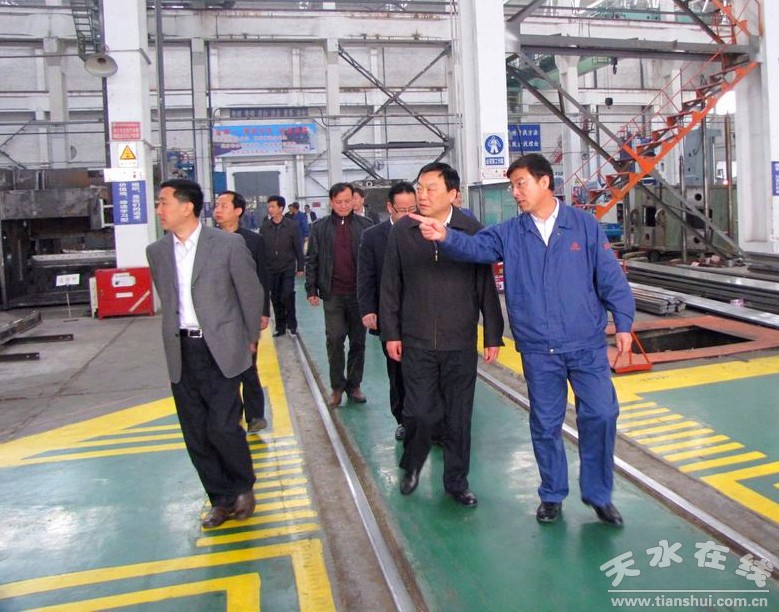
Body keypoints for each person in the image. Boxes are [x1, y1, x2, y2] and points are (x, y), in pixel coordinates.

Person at [411, 153, 635, 526]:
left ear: (545, 182)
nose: (515, 192)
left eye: (521, 184)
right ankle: (552, 494)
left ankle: (598, 495)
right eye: (512, 186)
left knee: (601, 413)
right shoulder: (510, 233)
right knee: (545, 424)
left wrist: (623, 323)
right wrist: (445, 236)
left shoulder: (583, 226)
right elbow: (475, 248)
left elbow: (610, 276)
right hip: (539, 348)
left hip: (585, 344)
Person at [380, 162, 504, 508]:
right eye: (420, 187)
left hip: (459, 340)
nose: (422, 194)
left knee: (458, 416)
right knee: (419, 412)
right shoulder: (403, 231)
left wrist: (492, 334)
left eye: (430, 188)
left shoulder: (471, 230)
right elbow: (390, 285)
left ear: (452, 193)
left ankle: (456, 482)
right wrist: (391, 332)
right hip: (416, 339)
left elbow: (485, 286)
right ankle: (412, 463)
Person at [146, 178, 260, 528]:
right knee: (195, 432)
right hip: (182, 350)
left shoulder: (227, 244)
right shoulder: (157, 252)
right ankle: (219, 499)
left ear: (187, 207)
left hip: (221, 348)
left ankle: (243, 486)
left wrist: (250, 339)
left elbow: (250, 293)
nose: (159, 209)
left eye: (164, 202)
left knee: (223, 427)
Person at [357, 181, 417, 442]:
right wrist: (368, 309)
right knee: (398, 371)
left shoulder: (426, 230)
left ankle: (431, 423)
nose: (408, 215)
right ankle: (403, 419)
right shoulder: (373, 237)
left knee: (425, 372)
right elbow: (366, 276)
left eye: (413, 209)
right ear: (390, 207)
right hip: (389, 316)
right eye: (402, 210)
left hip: (422, 315)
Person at [306, 182, 374, 407]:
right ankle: (337, 387)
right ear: (331, 202)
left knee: (358, 341)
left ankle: (354, 385)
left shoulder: (366, 226)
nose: (343, 206)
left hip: (359, 295)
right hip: (333, 293)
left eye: (347, 201)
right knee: (335, 339)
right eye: (338, 202)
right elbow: (312, 259)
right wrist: (311, 289)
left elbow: (373, 261)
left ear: (354, 200)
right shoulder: (319, 228)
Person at [214, 190, 271, 433]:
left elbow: (262, 279)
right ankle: (230, 415)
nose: (218, 210)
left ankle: (255, 415)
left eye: (224, 206)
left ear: (238, 210)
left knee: (248, 364)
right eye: (217, 205)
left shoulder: (254, 241)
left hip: (246, 313)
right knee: (222, 368)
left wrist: (263, 312)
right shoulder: (207, 241)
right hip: (217, 315)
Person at [260, 195, 305, 337]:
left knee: (287, 294)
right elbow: (261, 249)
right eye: (269, 207)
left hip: (287, 267)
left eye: (272, 206)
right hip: (271, 268)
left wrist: (300, 266)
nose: (270, 209)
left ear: (281, 208)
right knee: (275, 297)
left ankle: (292, 324)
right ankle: (280, 326)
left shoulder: (292, 226)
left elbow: (298, 247)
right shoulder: (265, 227)